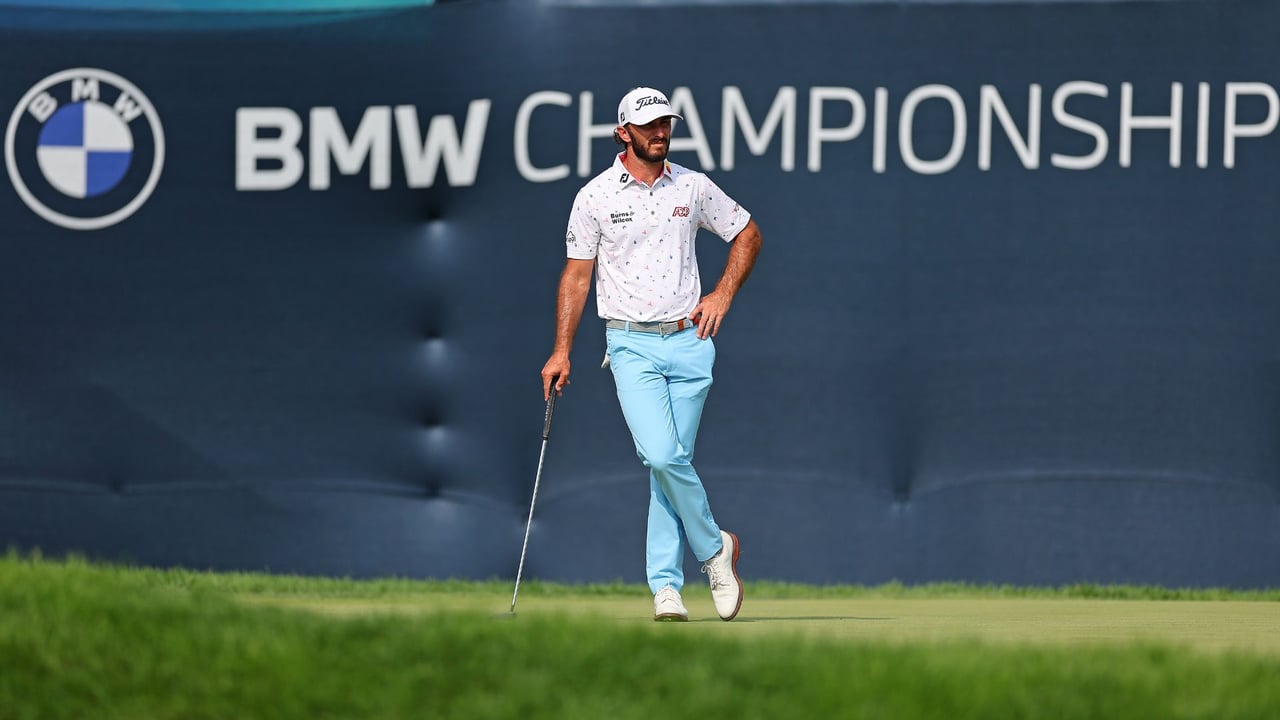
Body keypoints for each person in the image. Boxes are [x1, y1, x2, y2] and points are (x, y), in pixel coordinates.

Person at [540, 86, 763, 622]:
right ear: (624, 133)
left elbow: (747, 233)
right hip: (630, 343)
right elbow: (576, 275)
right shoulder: (595, 196)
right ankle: (715, 549)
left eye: (666, 123)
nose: (660, 132)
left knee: (670, 464)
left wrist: (723, 294)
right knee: (662, 456)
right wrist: (561, 351)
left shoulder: (692, 185)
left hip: (691, 341)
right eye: (648, 126)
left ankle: (666, 587)